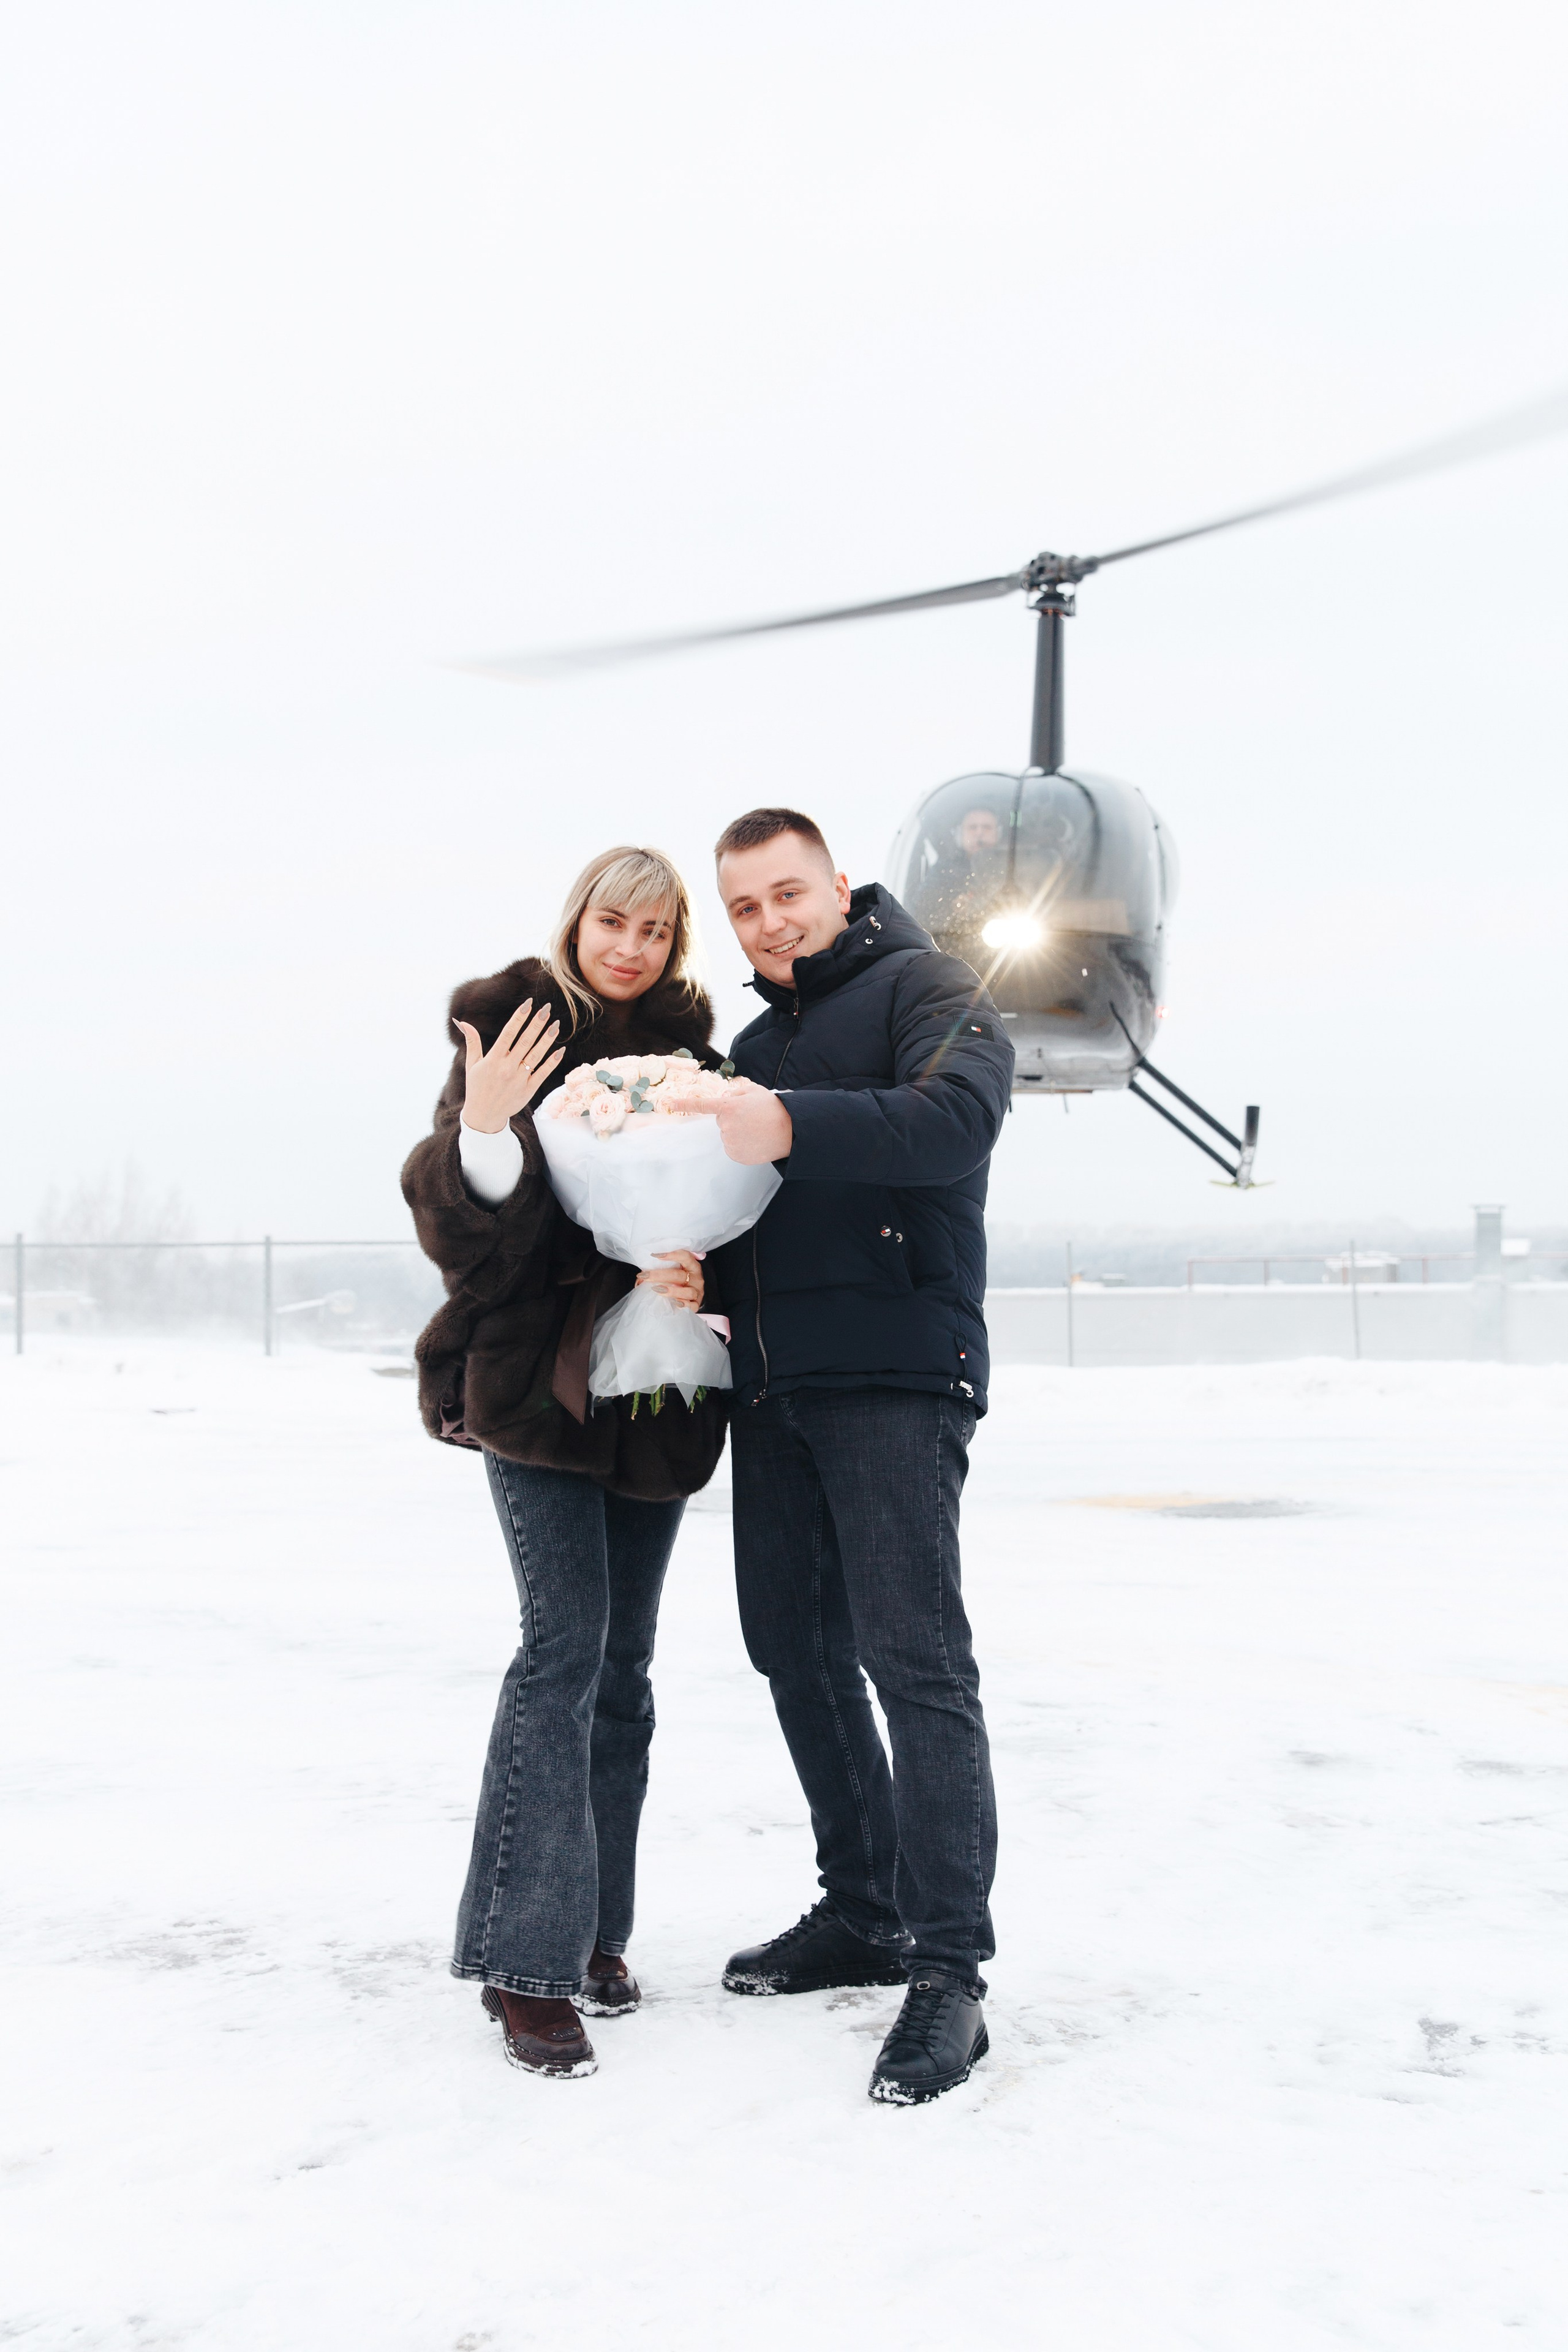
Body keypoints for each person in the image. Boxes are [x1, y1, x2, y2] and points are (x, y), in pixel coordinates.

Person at [401, 846, 726, 2081]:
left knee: (624, 1670)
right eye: (611, 922)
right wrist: (485, 1129)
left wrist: (697, 1274)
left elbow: (733, 1197)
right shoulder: (511, 1024)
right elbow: (465, 1242)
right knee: (563, 1647)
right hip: (538, 1385)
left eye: (654, 929)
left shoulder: (696, 1060)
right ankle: (522, 1964)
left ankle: (593, 1930)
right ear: (576, 920)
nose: (630, 947)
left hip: (650, 1385)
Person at [707, 807, 1014, 2105]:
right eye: (743, 907)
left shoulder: (929, 986)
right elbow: (748, 1202)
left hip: (894, 1374)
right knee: (790, 1648)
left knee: (914, 1665)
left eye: (786, 893)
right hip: (772, 1386)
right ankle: (864, 1908)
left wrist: (777, 1121)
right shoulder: (752, 1042)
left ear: (836, 884)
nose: (769, 921)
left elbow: (951, 1125)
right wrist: (697, 1268)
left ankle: (948, 1974)